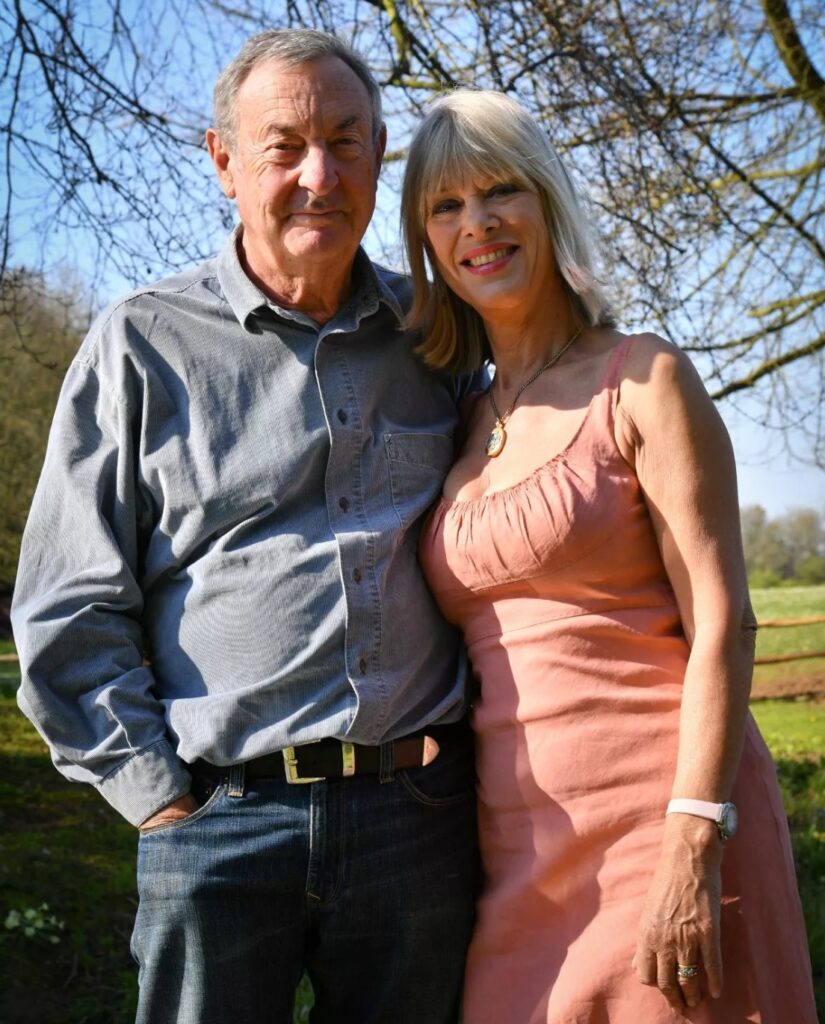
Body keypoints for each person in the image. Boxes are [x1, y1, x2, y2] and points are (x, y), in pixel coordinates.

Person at [11, 31, 479, 1024]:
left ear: (382, 153)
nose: (321, 175)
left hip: (417, 821)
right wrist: (164, 802)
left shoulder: (440, 335)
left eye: (347, 142)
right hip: (219, 822)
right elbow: (67, 605)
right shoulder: (141, 343)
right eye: (286, 146)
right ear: (223, 161)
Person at [402, 89, 818, 1024]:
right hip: (518, 860)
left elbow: (724, 621)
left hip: (663, 828)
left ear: (545, 199)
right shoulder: (459, 419)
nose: (478, 223)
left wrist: (692, 837)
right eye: (446, 205)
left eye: (499, 189)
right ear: (424, 239)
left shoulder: (643, 379)